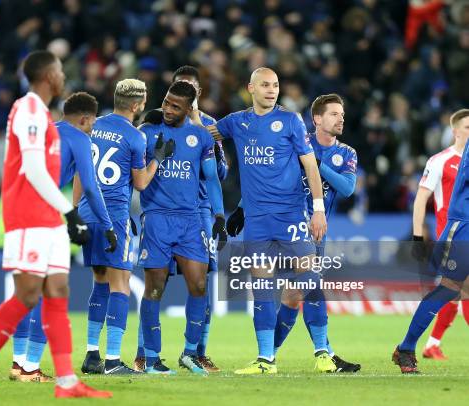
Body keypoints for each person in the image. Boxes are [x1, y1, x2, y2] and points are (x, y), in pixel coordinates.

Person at [0, 50, 112, 399]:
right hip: (29, 215)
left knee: (57, 291)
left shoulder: (45, 115)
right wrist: (70, 212)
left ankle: (67, 381)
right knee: (28, 294)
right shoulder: (27, 109)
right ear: (47, 76)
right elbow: (33, 168)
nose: (62, 75)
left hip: (49, 217)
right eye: (59, 70)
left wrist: (62, 214)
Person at [227, 93, 361, 372]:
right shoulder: (296, 136)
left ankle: (276, 355)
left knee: (296, 294)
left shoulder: (346, 153)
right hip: (278, 220)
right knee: (285, 288)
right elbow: (266, 176)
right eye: (334, 114)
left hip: (312, 229)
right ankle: (316, 354)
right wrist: (241, 208)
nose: (341, 119)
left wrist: (312, 161)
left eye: (342, 115)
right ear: (317, 119)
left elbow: (347, 189)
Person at [208, 67, 329, 374]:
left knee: (308, 281)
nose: (271, 89)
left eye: (275, 85)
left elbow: (311, 167)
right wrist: (186, 116)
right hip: (257, 219)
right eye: (265, 85)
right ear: (251, 87)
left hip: (290, 215)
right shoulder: (237, 121)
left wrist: (318, 209)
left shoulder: (290, 120)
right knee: (261, 286)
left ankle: (323, 351)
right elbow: (206, 133)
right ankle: (266, 359)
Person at [9, 91, 117, 382]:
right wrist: (107, 225)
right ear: (84, 119)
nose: (92, 129)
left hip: (17, 211)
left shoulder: (45, 133)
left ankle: (19, 363)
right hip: (42, 215)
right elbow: (91, 188)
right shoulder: (79, 138)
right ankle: (31, 367)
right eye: (92, 124)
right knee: (50, 290)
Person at [134, 66, 228, 373]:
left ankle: (190, 352)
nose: (168, 109)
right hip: (157, 218)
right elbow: (130, 173)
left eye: (176, 106)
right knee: (155, 289)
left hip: (190, 220)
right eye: (166, 102)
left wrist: (218, 214)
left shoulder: (201, 136)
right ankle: (150, 357)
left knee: (199, 286)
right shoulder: (147, 132)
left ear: (190, 109)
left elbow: (213, 178)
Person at [78, 79, 173, 375]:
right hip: (114, 216)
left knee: (100, 281)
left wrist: (76, 211)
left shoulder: (93, 127)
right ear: (136, 105)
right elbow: (142, 183)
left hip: (86, 212)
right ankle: (112, 361)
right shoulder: (134, 137)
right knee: (120, 284)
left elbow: (81, 173)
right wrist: (158, 159)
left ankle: (92, 354)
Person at [393, 110, 469, 373]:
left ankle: (415, 345)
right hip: (459, 230)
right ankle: (408, 346)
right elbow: (421, 199)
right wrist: (417, 237)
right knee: (449, 289)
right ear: (456, 130)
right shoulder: (443, 160)